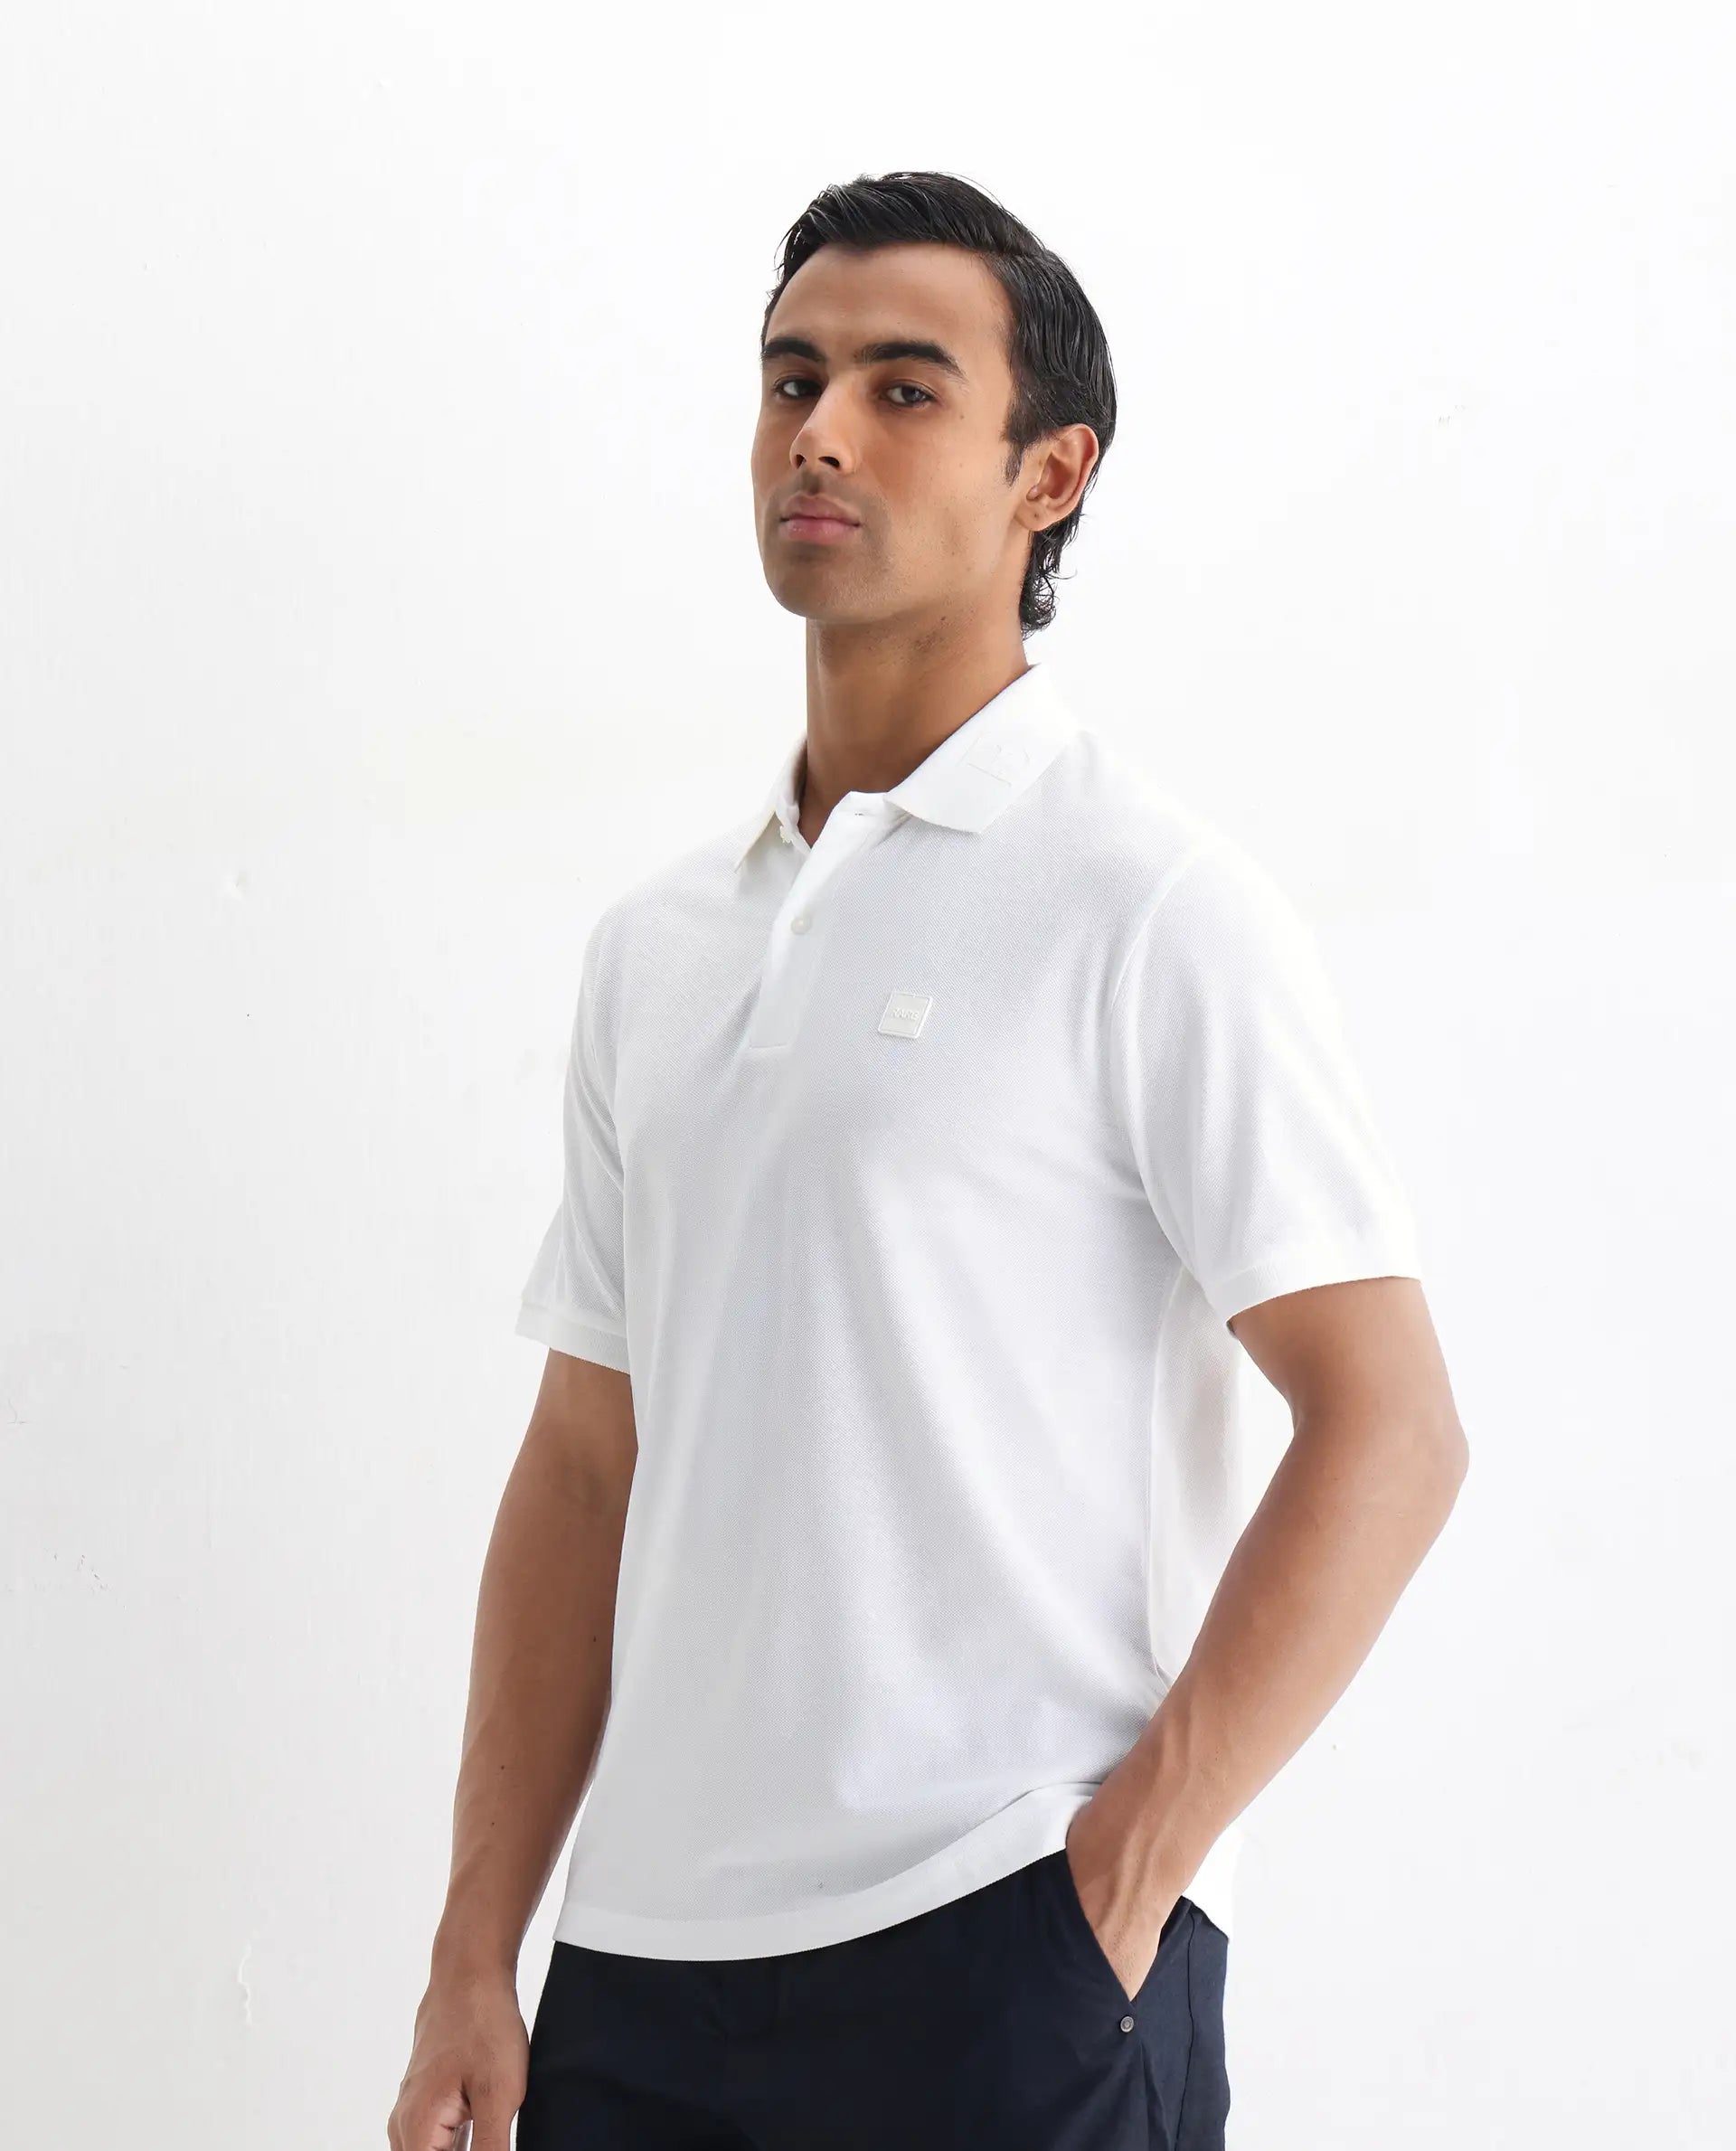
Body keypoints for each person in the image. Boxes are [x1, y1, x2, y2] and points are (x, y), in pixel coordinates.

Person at [387, 169, 1467, 2151]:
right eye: (791, 378)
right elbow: (583, 1463)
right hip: (636, 1977)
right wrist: (479, 1949)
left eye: (902, 388)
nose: (819, 430)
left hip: (1004, 1943)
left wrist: (1125, 1877)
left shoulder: (1149, 904)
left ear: (1051, 473)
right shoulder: (659, 947)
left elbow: (1390, 1425)